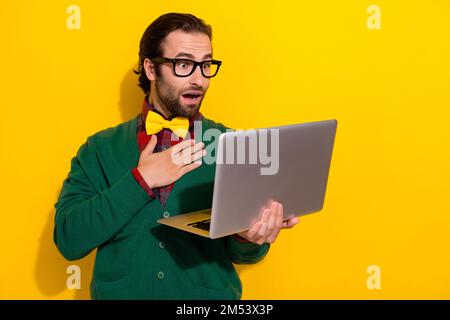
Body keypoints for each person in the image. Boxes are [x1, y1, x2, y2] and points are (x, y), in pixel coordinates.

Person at [54, 12, 299, 300]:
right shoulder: (99, 148)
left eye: (206, 65)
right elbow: (70, 240)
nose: (199, 80)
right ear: (150, 68)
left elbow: (243, 255)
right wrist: (141, 179)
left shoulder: (236, 146)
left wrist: (249, 238)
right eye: (184, 64)